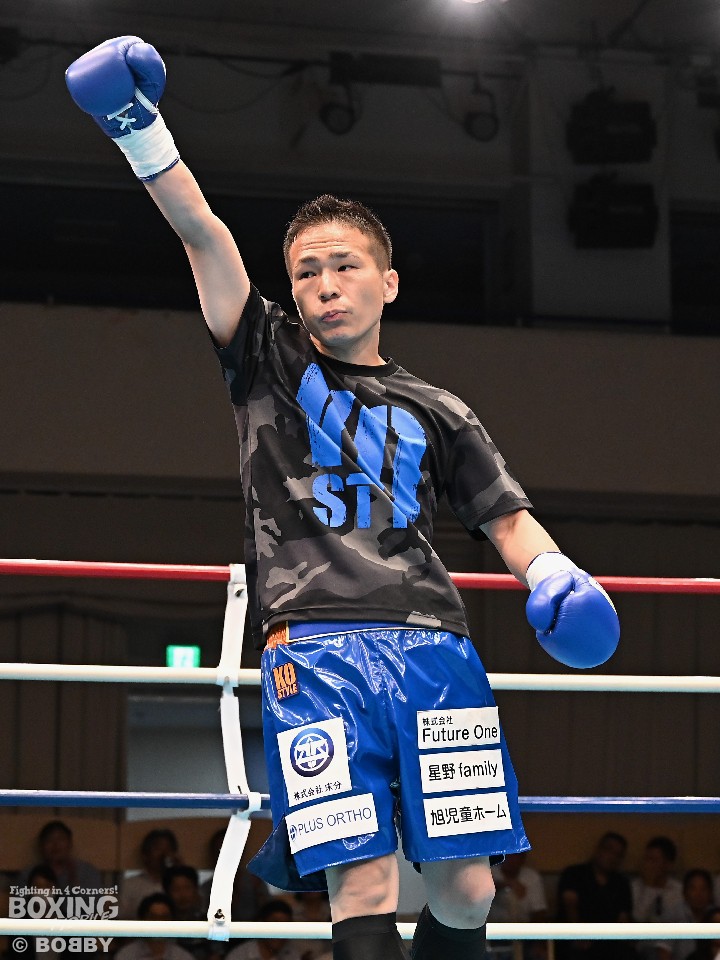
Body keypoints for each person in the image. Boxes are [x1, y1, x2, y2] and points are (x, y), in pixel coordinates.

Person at [65, 36, 621, 960]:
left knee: (469, 888)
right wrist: (138, 129)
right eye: (306, 272)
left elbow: (504, 518)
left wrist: (554, 573)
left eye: (345, 266)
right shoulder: (265, 359)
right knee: (359, 882)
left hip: (432, 646)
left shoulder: (440, 408)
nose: (325, 286)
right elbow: (203, 232)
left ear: (387, 282)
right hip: (315, 647)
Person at [556, 831, 635, 960]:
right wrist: (579, 934)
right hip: (575, 938)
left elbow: (623, 918)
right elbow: (570, 905)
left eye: (618, 854)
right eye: (609, 850)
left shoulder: (621, 883)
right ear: (598, 850)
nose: (612, 857)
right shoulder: (574, 873)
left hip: (609, 942)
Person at [487, 852, 548, 960]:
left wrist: (538, 942)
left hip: (524, 933)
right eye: (509, 855)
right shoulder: (488, 872)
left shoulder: (531, 876)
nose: (512, 859)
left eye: (517, 855)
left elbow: (539, 911)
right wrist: (507, 884)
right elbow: (479, 896)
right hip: (492, 933)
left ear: (523, 858)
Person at [632, 836, 683, 960]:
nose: (648, 865)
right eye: (646, 859)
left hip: (674, 944)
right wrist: (649, 887)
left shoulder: (679, 890)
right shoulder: (635, 887)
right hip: (646, 946)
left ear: (668, 865)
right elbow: (637, 918)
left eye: (654, 860)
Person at [20, 820, 102, 890]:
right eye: (49, 840)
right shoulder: (28, 874)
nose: (56, 845)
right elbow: (19, 901)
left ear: (70, 844)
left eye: (61, 839)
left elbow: (96, 901)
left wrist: (74, 882)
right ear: (41, 846)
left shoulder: (87, 872)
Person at [119, 829, 180, 921]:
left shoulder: (179, 884)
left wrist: (180, 870)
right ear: (145, 854)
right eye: (158, 848)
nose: (163, 854)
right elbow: (122, 917)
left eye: (168, 849)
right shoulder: (130, 884)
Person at [655, 869, 716, 960]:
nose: (698, 894)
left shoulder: (716, 916)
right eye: (693, 889)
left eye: (703, 889)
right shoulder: (672, 915)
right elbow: (664, 951)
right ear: (684, 892)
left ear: (710, 893)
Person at [115, 893, 195, 960]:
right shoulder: (125, 955)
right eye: (153, 917)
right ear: (143, 919)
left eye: (164, 917)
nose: (159, 922)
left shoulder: (183, 957)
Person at [225, 900, 302, 960]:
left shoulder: (292, 954)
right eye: (275, 924)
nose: (280, 931)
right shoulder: (239, 956)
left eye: (285, 926)